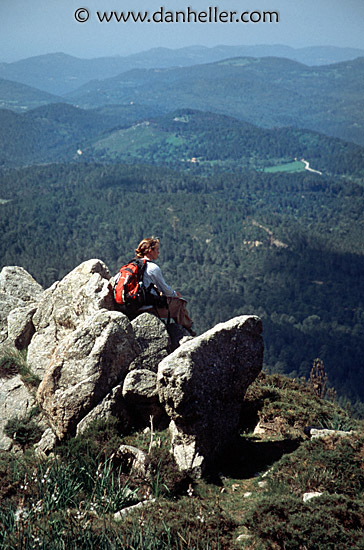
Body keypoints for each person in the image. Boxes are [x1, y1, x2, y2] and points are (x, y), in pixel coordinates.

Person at [135, 237, 196, 335]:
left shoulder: (132, 265)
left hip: (134, 304)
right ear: (150, 251)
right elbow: (166, 290)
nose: (158, 252)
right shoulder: (152, 268)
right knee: (180, 303)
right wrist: (175, 294)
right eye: (157, 250)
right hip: (148, 307)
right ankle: (187, 331)